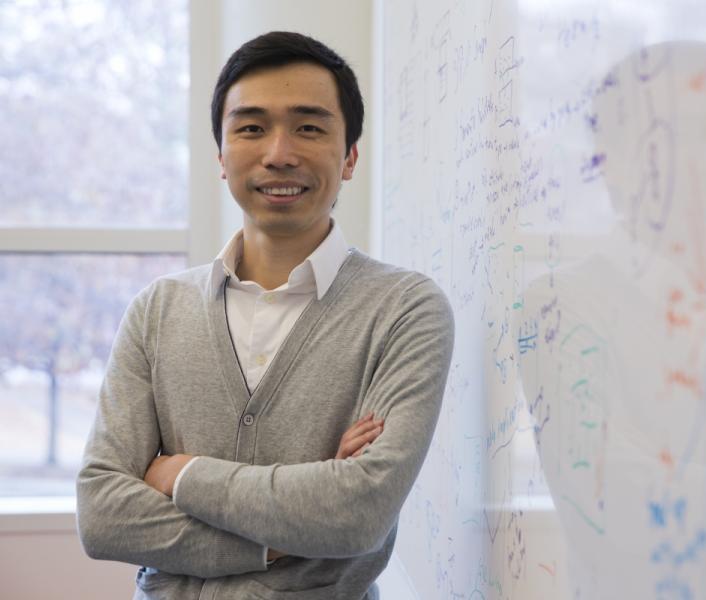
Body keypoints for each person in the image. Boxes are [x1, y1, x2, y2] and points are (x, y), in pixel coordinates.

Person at [76, 31, 454, 600]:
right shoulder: (158, 310)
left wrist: (178, 475)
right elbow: (102, 515)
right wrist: (283, 537)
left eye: (309, 127)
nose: (279, 153)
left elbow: (357, 515)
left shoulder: (404, 310)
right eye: (251, 128)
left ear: (350, 156)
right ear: (221, 157)